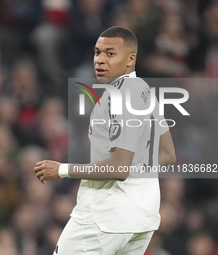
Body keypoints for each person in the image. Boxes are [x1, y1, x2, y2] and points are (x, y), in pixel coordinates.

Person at [34, 26, 176, 255]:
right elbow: (167, 154)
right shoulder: (144, 91)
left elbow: (119, 168)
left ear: (131, 60)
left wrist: (62, 169)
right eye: (97, 52)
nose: (100, 60)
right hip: (141, 220)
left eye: (110, 54)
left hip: (104, 220)